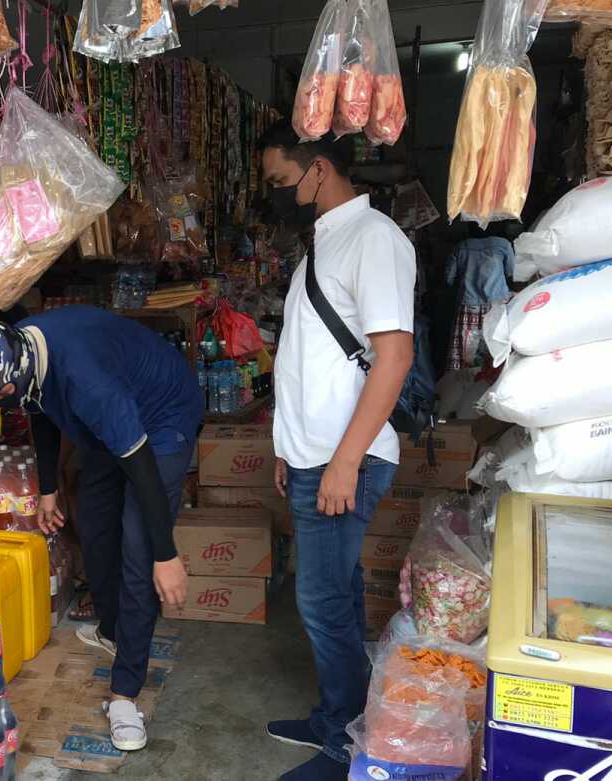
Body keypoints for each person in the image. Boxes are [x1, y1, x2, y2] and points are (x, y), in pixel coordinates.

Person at [0, 306, 203, 751]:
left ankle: (125, 694)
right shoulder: (28, 352)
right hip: (117, 416)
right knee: (92, 519)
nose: (10, 401)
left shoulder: (89, 384)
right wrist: (50, 489)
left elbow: (144, 472)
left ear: (20, 370)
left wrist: (166, 554)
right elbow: (40, 409)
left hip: (162, 417)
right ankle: (114, 630)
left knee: (138, 547)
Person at [259, 122, 415, 781]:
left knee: (320, 600)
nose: (275, 193)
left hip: (343, 459)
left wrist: (345, 460)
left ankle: (347, 744)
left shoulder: (374, 240)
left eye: (278, 180)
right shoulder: (320, 247)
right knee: (338, 591)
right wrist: (284, 447)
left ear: (318, 169)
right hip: (311, 456)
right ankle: (336, 717)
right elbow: (306, 360)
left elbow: (393, 356)